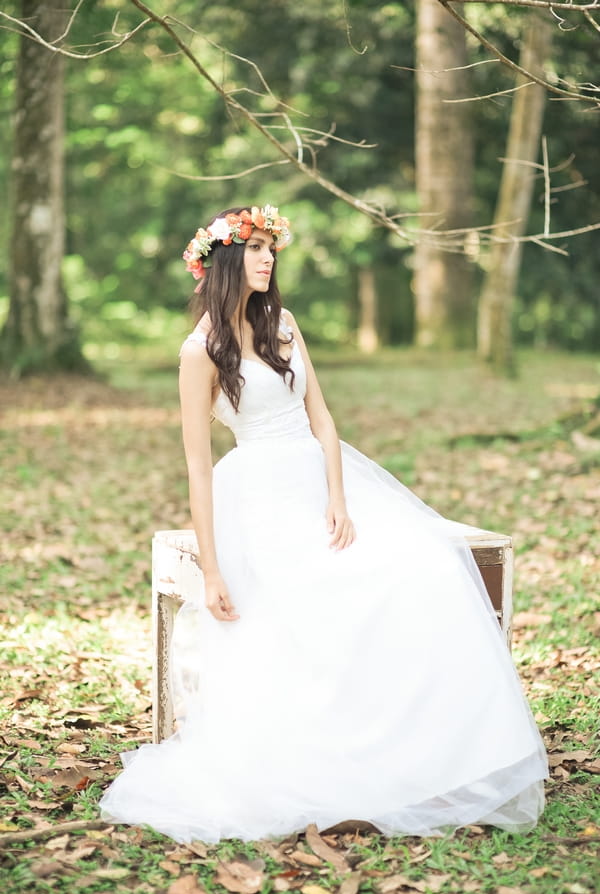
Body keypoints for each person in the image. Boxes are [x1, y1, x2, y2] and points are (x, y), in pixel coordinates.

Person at [99, 204, 548, 844]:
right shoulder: (200, 350)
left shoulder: (284, 324)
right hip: (255, 494)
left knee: (422, 565)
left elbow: (325, 420)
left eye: (271, 250)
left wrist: (338, 498)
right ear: (225, 260)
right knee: (313, 591)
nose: (267, 259)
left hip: (321, 481)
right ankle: (326, 748)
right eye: (255, 249)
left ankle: (433, 748)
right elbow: (198, 467)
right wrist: (214, 565)